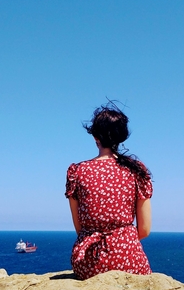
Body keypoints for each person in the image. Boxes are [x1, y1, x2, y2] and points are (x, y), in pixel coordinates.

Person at [65, 103, 153, 280]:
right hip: (129, 260)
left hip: (89, 264)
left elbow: (79, 228)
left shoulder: (77, 172)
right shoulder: (136, 170)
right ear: (121, 137)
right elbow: (144, 230)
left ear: (95, 137)